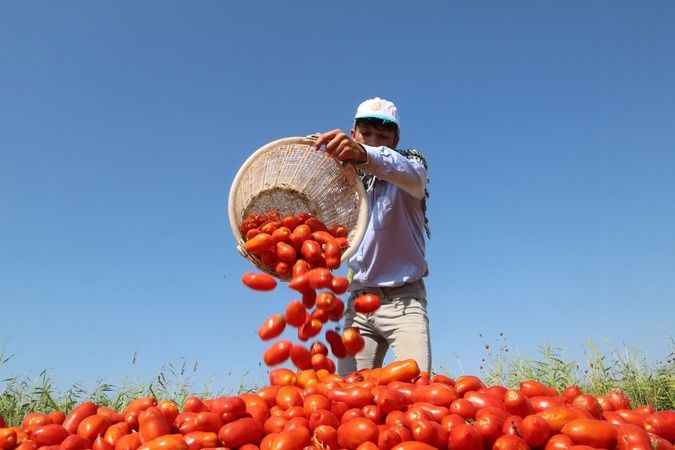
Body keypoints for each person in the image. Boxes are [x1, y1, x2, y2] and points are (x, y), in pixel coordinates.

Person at [313, 97, 431, 375]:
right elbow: (320, 236)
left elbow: (408, 172)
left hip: (404, 303)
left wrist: (363, 154)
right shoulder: (343, 184)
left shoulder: (410, 166)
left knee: (418, 390)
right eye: (366, 134)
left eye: (383, 136)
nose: (373, 141)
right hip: (359, 307)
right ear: (353, 132)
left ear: (395, 139)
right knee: (348, 399)